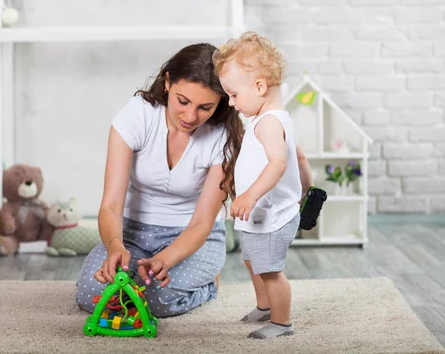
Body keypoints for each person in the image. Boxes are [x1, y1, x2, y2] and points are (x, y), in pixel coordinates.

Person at [75, 43, 243, 318]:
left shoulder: (223, 135)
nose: (190, 117)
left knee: (153, 301)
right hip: (131, 234)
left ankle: (208, 286)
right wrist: (115, 246)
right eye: (183, 101)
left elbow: (202, 222)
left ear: (221, 102)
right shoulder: (138, 115)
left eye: (205, 107)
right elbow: (111, 205)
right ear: (167, 83)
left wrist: (166, 258)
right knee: (92, 296)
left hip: (191, 237)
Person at [213, 32, 313, 339]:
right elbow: (298, 157)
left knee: (269, 269)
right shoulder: (272, 119)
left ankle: (282, 323)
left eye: (233, 94)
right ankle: (265, 305)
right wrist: (305, 190)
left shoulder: (269, 122)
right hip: (263, 213)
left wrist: (250, 194)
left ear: (259, 87)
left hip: (270, 213)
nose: (230, 102)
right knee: (251, 259)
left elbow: (279, 164)